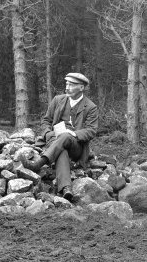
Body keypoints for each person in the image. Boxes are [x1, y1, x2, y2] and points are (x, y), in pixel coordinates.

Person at [33, 72, 98, 200]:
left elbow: (91, 131)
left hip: (76, 146)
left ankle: (40, 163)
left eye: (72, 85)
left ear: (81, 88)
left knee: (66, 136)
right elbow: (46, 121)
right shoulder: (58, 100)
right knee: (61, 151)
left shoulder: (90, 107)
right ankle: (66, 188)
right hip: (55, 141)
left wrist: (72, 133)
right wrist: (48, 133)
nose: (67, 87)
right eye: (67, 84)